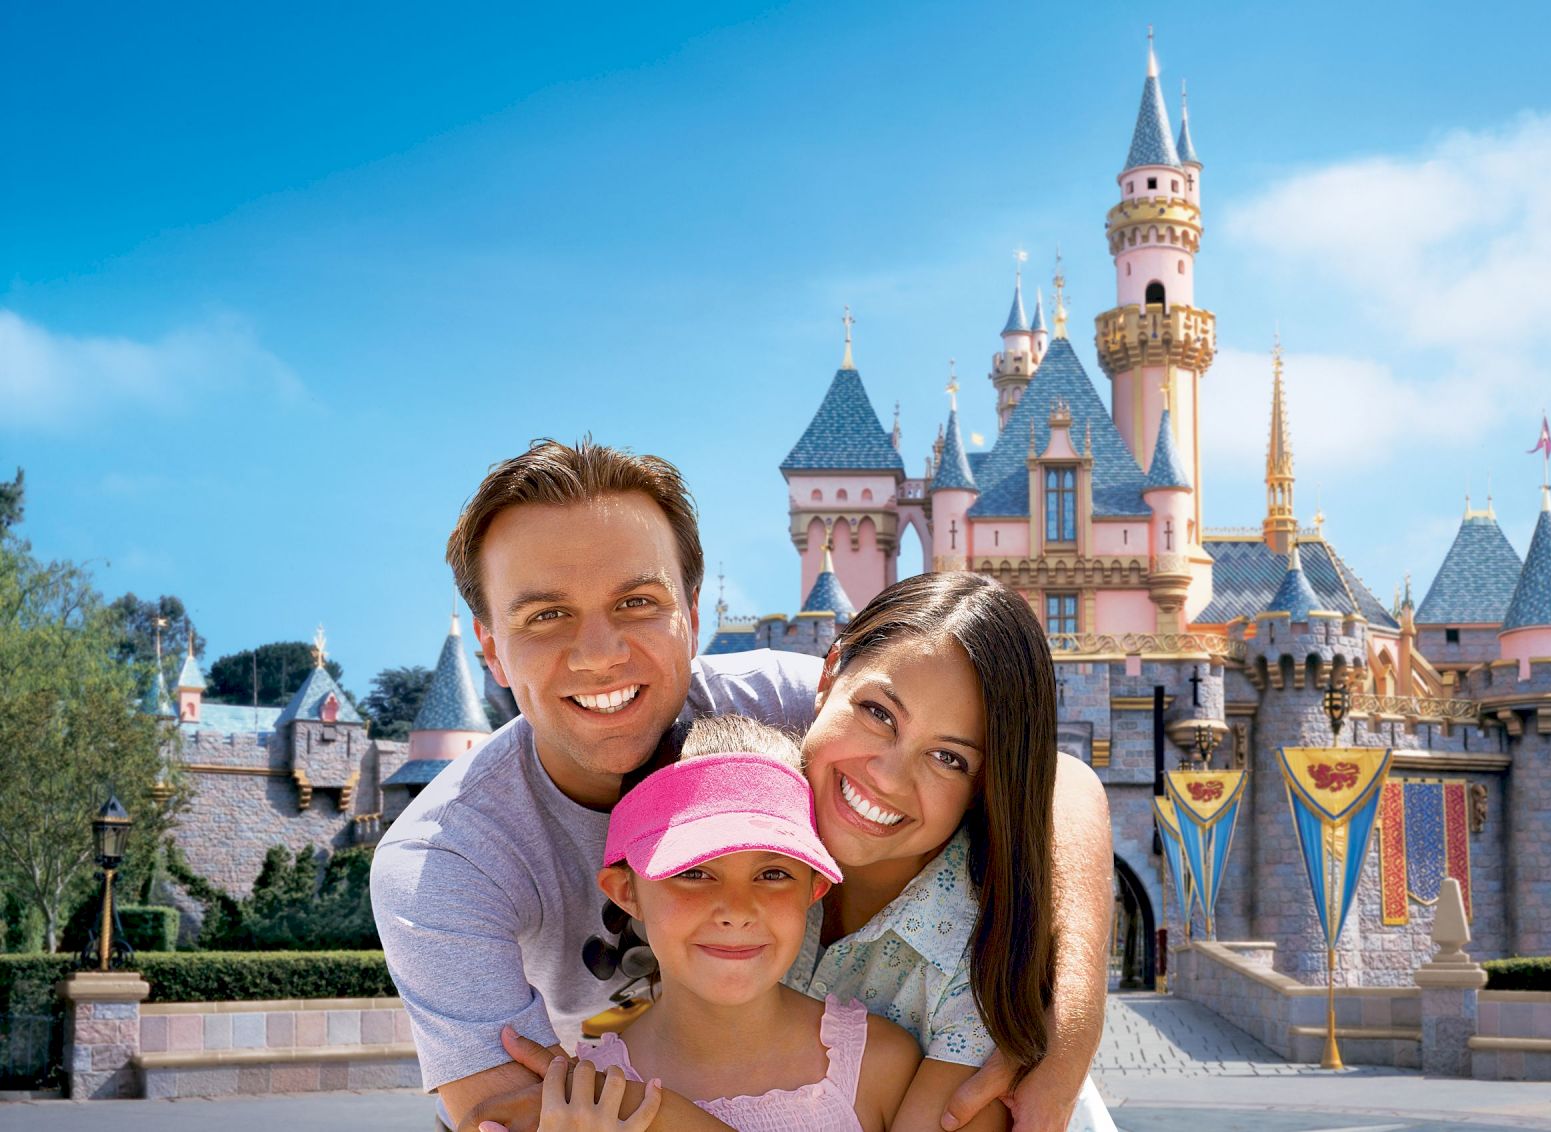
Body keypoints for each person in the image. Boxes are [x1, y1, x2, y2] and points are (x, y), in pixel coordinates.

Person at [372, 438, 1111, 1131]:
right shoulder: (442, 864)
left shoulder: (792, 714)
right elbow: (512, 1113)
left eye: (636, 602)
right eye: (547, 615)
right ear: (491, 650)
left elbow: (1055, 781)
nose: (598, 654)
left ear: (692, 616)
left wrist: (1068, 1025)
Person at [508, 571, 1117, 1131]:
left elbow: (1068, 779)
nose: (889, 777)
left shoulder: (985, 948)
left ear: (988, 783)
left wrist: (646, 1108)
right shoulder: (754, 784)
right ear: (827, 678)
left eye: (948, 758)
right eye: (879, 714)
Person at [488, 715, 921, 1132]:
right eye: (694, 873)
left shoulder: (880, 1065)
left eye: (773, 874)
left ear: (815, 889)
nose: (736, 910)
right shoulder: (584, 1107)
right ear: (626, 891)